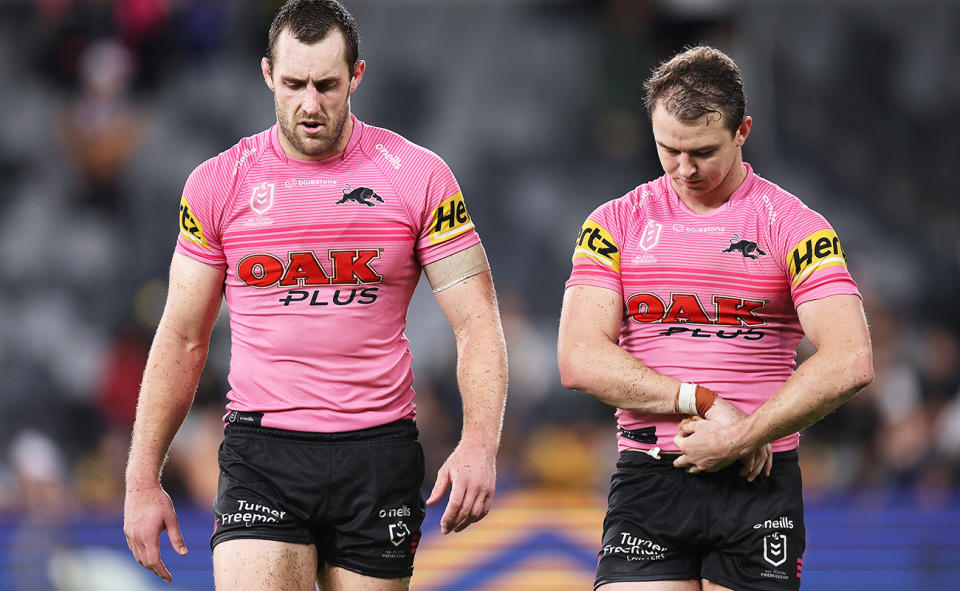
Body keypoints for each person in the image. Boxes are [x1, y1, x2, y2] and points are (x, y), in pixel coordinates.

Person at [122, 2, 508, 589]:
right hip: (263, 452)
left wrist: (479, 443)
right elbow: (182, 337)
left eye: (327, 85)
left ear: (356, 77)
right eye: (295, 83)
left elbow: (478, 323)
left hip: (378, 452)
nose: (310, 104)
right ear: (267, 74)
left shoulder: (419, 176)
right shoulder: (218, 183)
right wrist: (141, 478)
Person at [557, 45, 873, 591]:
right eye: (668, 149)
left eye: (702, 151)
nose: (684, 169)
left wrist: (744, 434)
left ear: (743, 130)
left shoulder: (795, 225)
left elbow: (851, 358)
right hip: (650, 476)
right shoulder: (613, 223)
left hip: (759, 477)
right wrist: (702, 403)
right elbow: (579, 359)